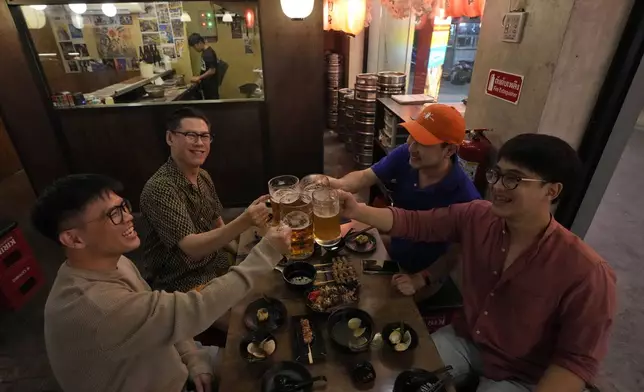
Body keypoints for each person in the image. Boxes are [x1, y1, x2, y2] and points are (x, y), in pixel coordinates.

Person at [337, 134, 616, 391]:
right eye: (497, 175)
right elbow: (414, 223)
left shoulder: (587, 272)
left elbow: (576, 362)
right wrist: (356, 209)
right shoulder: (478, 217)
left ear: (551, 191)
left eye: (513, 179)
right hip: (465, 338)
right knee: (395, 381)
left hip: (522, 375)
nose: (495, 186)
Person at [33, 174, 291, 392]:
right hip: (166, 382)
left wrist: (193, 358)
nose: (128, 217)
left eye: (124, 206)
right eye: (113, 214)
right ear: (74, 239)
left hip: (175, 362)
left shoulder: (114, 262)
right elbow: (193, 309)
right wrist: (267, 252)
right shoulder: (95, 305)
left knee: (277, 359)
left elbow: (160, 316)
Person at [329, 104, 480, 294]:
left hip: (423, 270)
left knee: (380, 304)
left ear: (449, 151)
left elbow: (455, 253)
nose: (412, 147)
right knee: (341, 265)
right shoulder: (406, 154)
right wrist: (336, 185)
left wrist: (422, 278)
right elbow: (365, 177)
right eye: (412, 136)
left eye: (423, 142)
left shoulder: (466, 197)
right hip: (397, 245)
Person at [140, 107, 270, 294]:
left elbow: (215, 219)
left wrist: (238, 253)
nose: (200, 143)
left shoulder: (203, 176)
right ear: (170, 138)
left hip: (216, 260)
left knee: (269, 270)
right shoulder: (160, 188)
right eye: (191, 135)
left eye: (205, 136)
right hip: (181, 280)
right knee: (250, 308)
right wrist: (245, 220)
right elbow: (191, 248)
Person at [188, 33, 219, 99]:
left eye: (194, 46)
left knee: (212, 107)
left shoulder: (208, 54)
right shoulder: (205, 52)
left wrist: (199, 77)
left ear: (199, 43)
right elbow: (205, 68)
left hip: (211, 86)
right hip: (207, 85)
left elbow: (212, 70)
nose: (195, 49)